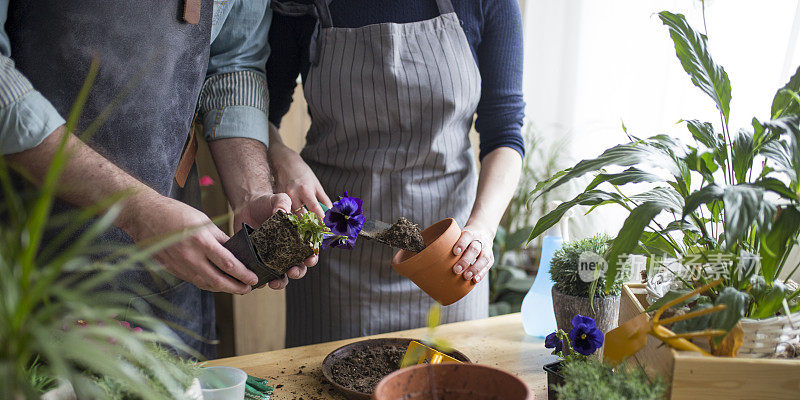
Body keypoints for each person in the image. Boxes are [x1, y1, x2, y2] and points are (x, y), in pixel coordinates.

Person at [0, 0, 314, 357]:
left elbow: (233, 64)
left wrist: (252, 192)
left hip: (172, 267)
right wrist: (138, 210)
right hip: (28, 261)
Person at [266, 0, 525, 346]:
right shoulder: (302, 4)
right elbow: (259, 112)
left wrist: (482, 228)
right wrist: (280, 155)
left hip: (449, 261)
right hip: (335, 265)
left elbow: (505, 134)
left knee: (445, 393)